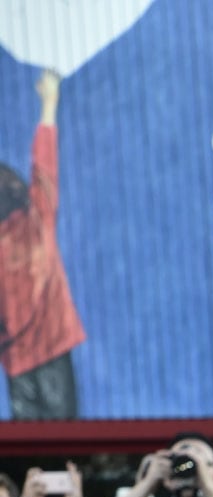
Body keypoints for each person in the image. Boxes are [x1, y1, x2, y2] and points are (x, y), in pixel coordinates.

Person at [0, 72, 85, 422]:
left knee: (29, 452)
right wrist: (49, 103)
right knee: (67, 447)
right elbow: (44, 165)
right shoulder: (37, 216)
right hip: (53, 351)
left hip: (17, 364)